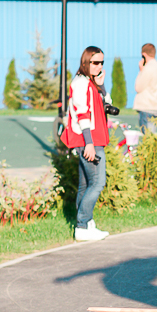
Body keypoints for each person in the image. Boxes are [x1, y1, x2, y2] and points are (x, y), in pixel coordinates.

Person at [62, 46, 112, 242]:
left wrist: (101, 85)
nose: (98, 66)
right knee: (98, 182)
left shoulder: (91, 83)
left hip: (94, 138)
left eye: (101, 62)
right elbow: (81, 113)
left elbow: (107, 103)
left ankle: (86, 224)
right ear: (86, 62)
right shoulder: (81, 83)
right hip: (89, 139)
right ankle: (82, 225)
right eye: (95, 62)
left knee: (85, 185)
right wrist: (89, 143)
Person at [133, 43, 157, 133]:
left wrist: (141, 71)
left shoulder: (148, 69)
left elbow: (138, 87)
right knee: (153, 135)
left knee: (148, 136)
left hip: (147, 107)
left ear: (144, 55)